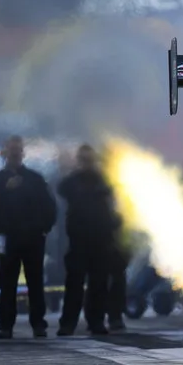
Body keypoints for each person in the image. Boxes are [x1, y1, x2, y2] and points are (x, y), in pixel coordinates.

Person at [0, 135, 56, 339]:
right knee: (7, 283)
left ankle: (38, 323)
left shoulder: (35, 179)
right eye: (11, 150)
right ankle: (5, 325)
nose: (14, 154)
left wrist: (43, 229)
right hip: (8, 237)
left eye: (17, 150)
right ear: (5, 153)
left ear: (22, 153)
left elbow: (49, 206)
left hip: (32, 238)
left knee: (35, 282)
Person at [56, 144, 120, 336]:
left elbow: (116, 202)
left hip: (101, 240)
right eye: (83, 159)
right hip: (78, 240)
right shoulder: (71, 181)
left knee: (99, 284)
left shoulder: (104, 180)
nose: (87, 163)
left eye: (89, 159)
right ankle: (68, 323)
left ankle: (97, 322)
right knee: (74, 284)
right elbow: (61, 189)